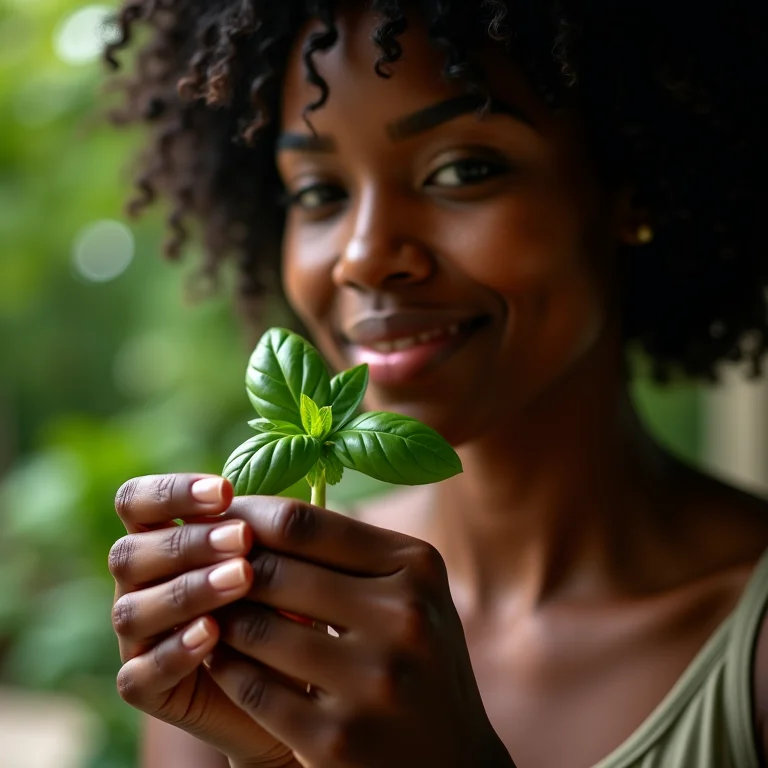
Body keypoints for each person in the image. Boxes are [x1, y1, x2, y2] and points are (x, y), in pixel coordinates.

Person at [104, 1, 768, 766]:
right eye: (319, 192)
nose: (362, 256)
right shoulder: (252, 634)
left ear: (633, 185)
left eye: (462, 170)